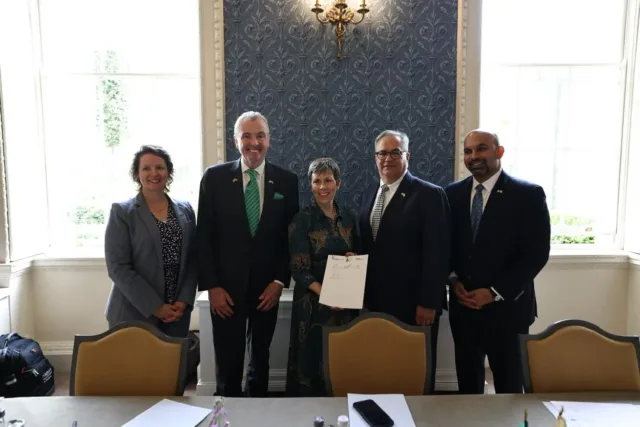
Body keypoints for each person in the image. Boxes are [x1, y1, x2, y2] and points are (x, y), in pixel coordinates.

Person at [197, 111, 299, 397]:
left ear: (269, 140)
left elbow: (289, 239)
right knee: (228, 362)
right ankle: (226, 415)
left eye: (260, 136)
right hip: (225, 291)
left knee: (260, 360)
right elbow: (203, 236)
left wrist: (280, 281)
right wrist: (212, 287)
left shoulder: (287, 182)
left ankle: (257, 414)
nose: (254, 142)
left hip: (267, 290)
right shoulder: (215, 178)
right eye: (247, 136)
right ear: (235, 140)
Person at [446, 129, 551, 394]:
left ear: (499, 151)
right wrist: (452, 279)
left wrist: (494, 293)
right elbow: (446, 246)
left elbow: (536, 254)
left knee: (509, 392)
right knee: (467, 391)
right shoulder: (452, 194)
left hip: (508, 312)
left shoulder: (527, 194)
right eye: (468, 151)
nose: (474, 157)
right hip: (464, 310)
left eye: (481, 148)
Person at [358, 130, 450, 394]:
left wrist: (429, 302)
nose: (388, 158)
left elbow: (438, 252)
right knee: (383, 368)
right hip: (375, 303)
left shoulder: (429, 195)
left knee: (415, 372)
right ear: (375, 158)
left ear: (407, 156)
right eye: (382, 153)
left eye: (395, 152)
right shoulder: (369, 193)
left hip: (414, 305)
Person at [104, 145, 197, 338]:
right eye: (146, 168)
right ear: (137, 174)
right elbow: (118, 267)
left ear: (168, 172)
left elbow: (193, 259)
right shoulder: (122, 213)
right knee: (136, 368)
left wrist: (184, 300)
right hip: (134, 313)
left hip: (176, 313)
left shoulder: (186, 209)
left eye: (160, 167)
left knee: (172, 368)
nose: (154, 173)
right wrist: (156, 307)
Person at [285, 157, 360, 397]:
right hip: (312, 305)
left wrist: (352, 256)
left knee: (340, 362)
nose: (322, 186)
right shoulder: (302, 220)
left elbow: (358, 255)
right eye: (316, 181)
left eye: (328, 180)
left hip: (344, 304)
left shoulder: (349, 216)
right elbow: (299, 269)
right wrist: (326, 294)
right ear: (310, 185)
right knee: (311, 361)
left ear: (338, 183)